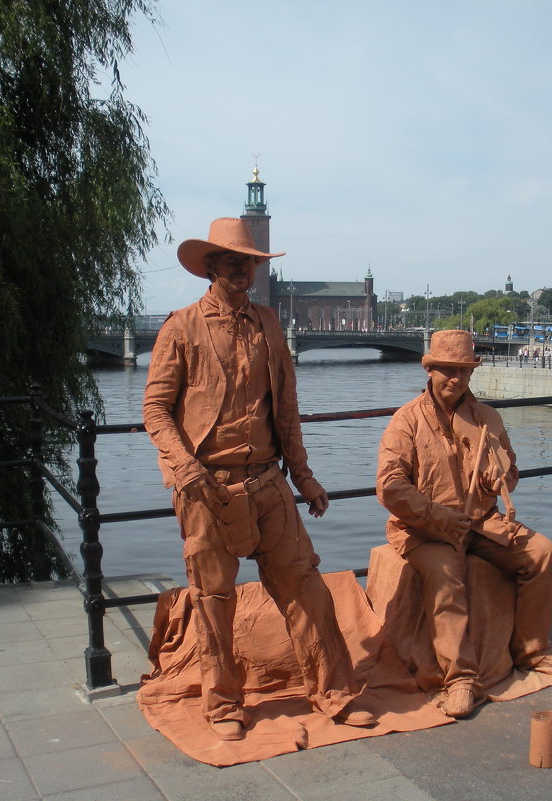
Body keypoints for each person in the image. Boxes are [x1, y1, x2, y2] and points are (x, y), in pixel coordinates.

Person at [143, 217, 375, 741]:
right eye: (232, 260)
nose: (243, 268)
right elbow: (155, 410)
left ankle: (334, 691)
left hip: (268, 482)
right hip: (206, 486)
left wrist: (305, 477)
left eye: (249, 260)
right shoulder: (180, 327)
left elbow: (286, 410)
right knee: (213, 598)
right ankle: (223, 704)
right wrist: (184, 468)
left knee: (305, 588)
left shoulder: (269, 323)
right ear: (210, 266)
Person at [375, 330, 552, 718]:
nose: (455, 379)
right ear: (431, 370)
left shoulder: (488, 419)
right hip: (424, 529)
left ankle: (531, 652)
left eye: (463, 371)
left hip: (481, 523)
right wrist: (437, 517)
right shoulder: (406, 420)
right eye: (448, 370)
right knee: (446, 573)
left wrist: (501, 476)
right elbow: (390, 487)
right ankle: (460, 679)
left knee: (543, 554)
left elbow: (511, 474)